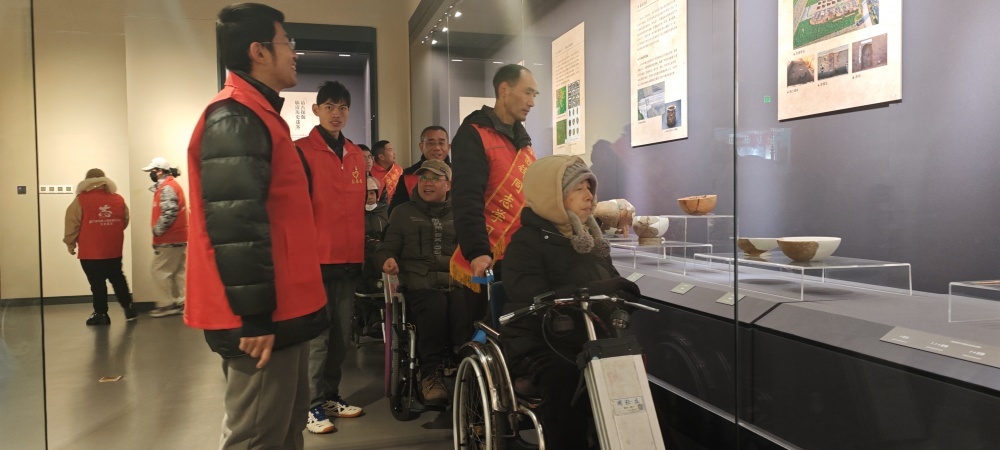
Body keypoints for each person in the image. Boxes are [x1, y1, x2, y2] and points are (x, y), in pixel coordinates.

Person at [184, 4, 328, 448]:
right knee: (257, 435)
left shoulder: (260, 113)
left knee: (284, 427)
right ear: (258, 51)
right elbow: (236, 224)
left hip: (282, 306)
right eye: (288, 43)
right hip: (263, 316)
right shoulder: (235, 116)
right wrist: (255, 317)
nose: (294, 53)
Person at [500, 155, 642, 450]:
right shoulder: (525, 243)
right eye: (578, 188)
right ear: (552, 195)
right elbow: (530, 294)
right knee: (566, 374)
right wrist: (593, 290)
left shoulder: (590, 239)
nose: (589, 196)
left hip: (589, 335)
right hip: (539, 339)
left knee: (630, 370)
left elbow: (611, 282)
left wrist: (622, 296)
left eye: (590, 187)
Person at [294, 80, 366, 433]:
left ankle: (330, 396)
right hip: (315, 260)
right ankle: (310, 406)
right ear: (316, 110)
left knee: (340, 335)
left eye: (342, 107)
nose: (336, 114)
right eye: (329, 107)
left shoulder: (355, 154)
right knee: (318, 338)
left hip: (349, 259)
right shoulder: (300, 151)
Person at [450, 63, 538, 336]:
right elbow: (467, 197)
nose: (532, 102)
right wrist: (477, 250)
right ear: (504, 90)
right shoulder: (473, 134)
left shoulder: (522, 140)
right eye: (527, 93)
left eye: (535, 95)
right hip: (488, 257)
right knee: (486, 331)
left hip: (523, 254)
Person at [374, 159, 459, 406]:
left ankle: (466, 365)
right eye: (423, 178)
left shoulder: (462, 214)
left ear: (448, 184)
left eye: (434, 178)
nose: (427, 183)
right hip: (419, 283)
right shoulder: (403, 213)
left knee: (467, 304)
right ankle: (431, 373)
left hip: (455, 282)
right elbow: (386, 247)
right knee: (435, 306)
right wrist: (387, 259)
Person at [63, 168, 136, 325]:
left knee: (97, 284)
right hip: (114, 249)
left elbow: (72, 224)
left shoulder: (81, 200)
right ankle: (128, 307)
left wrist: (70, 243)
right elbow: (124, 221)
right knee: (118, 278)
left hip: (91, 251)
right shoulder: (118, 199)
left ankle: (101, 313)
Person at [141, 157, 188, 318]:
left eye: (151, 171)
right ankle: (184, 302)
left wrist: (157, 231)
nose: (150, 174)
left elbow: (169, 212)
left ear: (159, 171)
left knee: (158, 271)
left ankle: (167, 304)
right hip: (179, 237)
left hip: (169, 238)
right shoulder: (170, 186)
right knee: (179, 271)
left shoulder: (167, 188)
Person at [388, 125, 451, 214]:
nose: (437, 148)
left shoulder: (460, 174)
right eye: (431, 143)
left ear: (448, 147)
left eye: (441, 143)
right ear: (421, 147)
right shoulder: (409, 176)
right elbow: (395, 212)